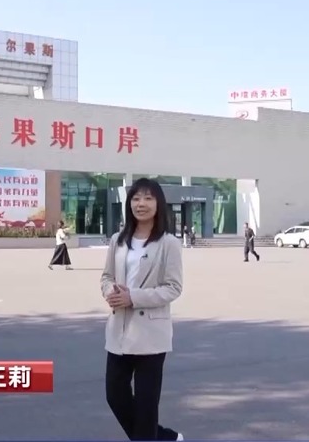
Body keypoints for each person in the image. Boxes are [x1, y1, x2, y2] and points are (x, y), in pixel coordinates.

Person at [100, 178, 184, 441]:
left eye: (148, 198)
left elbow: (173, 288)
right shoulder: (118, 240)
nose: (141, 204)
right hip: (119, 331)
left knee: (147, 406)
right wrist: (110, 292)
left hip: (151, 335)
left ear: (158, 204)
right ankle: (165, 438)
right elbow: (106, 277)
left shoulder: (168, 243)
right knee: (115, 395)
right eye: (136, 198)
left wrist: (133, 297)